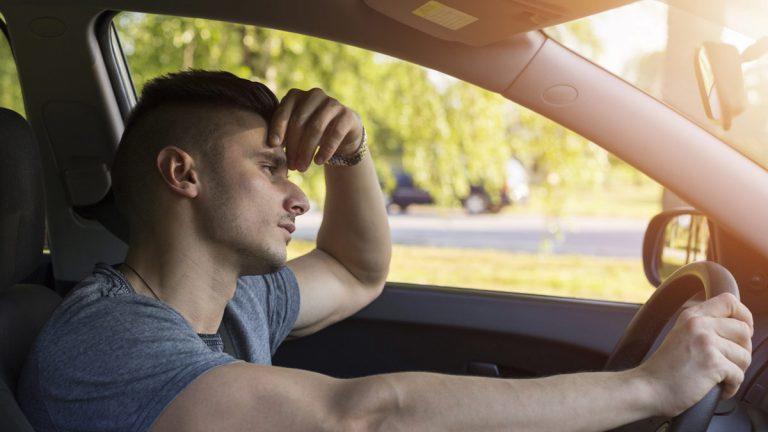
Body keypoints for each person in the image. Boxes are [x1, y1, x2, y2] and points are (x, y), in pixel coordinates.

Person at [17, 70, 753, 432]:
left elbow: (356, 269)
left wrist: (352, 152)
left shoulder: (236, 300)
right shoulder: (105, 340)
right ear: (183, 174)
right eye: (273, 169)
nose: (298, 198)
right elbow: (360, 416)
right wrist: (648, 389)